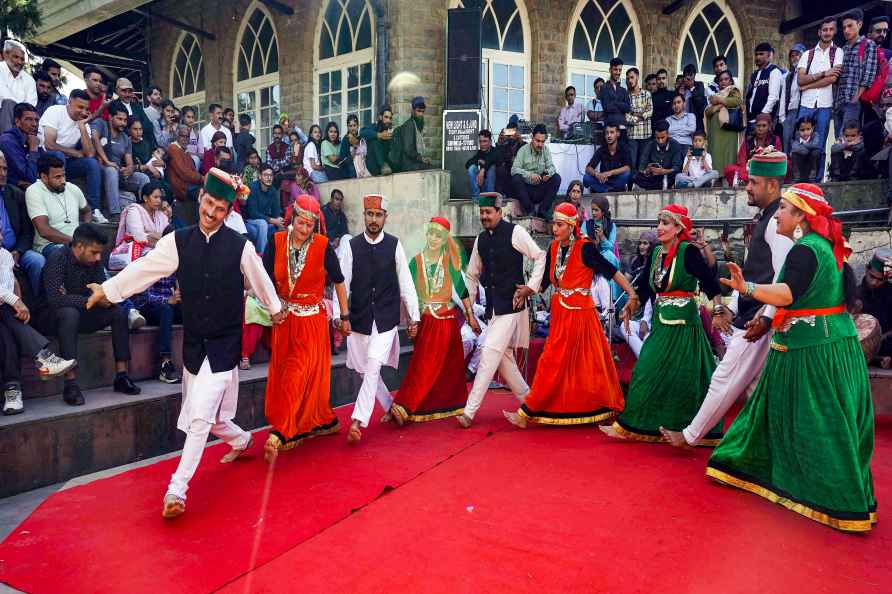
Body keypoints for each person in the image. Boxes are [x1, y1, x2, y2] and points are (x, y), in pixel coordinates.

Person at [85, 168, 284, 519]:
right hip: (194, 344)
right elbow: (145, 268)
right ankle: (241, 440)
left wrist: (276, 309)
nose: (211, 212)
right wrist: (109, 289)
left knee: (200, 416)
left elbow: (260, 279)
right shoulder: (178, 242)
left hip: (224, 343)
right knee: (205, 413)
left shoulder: (241, 246)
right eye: (208, 204)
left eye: (220, 208)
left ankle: (177, 489)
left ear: (228, 212)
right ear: (200, 200)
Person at [706, 183, 875, 533]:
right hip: (828, 344)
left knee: (821, 422)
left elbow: (786, 294)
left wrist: (747, 289)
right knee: (811, 417)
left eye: (785, 208)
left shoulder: (805, 250)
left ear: (802, 217)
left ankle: (834, 496)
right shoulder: (823, 247)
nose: (779, 214)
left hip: (812, 350)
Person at [661, 151, 794, 449]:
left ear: (772, 185)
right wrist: (730, 308)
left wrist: (767, 317)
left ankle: (690, 436)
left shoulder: (777, 221)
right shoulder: (767, 218)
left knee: (725, 377)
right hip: (753, 314)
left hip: (760, 319)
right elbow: (750, 273)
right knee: (755, 388)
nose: (746, 186)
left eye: (753, 182)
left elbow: (782, 280)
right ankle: (771, 447)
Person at [503, 203, 638, 428]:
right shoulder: (554, 248)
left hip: (582, 316)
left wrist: (631, 293)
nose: (554, 229)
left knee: (582, 363)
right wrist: (528, 290)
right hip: (562, 314)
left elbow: (611, 271)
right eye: (554, 224)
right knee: (555, 361)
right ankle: (544, 408)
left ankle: (528, 413)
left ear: (572, 225)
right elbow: (546, 280)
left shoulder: (586, 248)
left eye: (559, 225)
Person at [600, 204, 722, 443]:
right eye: (659, 223)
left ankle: (688, 430)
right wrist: (631, 305)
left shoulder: (688, 251)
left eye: (665, 223)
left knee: (687, 378)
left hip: (685, 327)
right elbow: (645, 286)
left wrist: (718, 309)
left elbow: (709, 281)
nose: (659, 228)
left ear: (678, 228)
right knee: (645, 370)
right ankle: (631, 426)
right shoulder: (656, 253)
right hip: (661, 325)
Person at [261, 194, 348, 461]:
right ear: (292, 218)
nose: (304, 229)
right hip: (284, 321)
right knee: (285, 372)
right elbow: (263, 278)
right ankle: (312, 421)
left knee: (298, 372)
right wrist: (272, 307)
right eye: (300, 223)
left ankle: (283, 432)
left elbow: (339, 281)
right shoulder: (276, 242)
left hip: (311, 321)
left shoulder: (322, 246)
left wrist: (344, 315)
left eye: (310, 225)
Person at [335, 194, 420, 444]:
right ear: (364, 216)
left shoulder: (395, 244)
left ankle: (357, 420)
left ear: (385, 218)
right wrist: (339, 316)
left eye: (378, 215)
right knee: (365, 371)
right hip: (360, 318)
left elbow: (406, 282)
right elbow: (343, 284)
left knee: (372, 365)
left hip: (385, 317)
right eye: (370, 215)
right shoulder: (351, 246)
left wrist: (413, 317)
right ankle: (391, 405)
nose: (374, 219)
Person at [457, 192, 546, 428]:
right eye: (482, 213)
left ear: (499, 211)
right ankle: (531, 406)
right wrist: (469, 313)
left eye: (488, 212)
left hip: (514, 306)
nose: (484, 217)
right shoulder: (480, 240)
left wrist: (530, 287)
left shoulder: (516, 232)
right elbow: (472, 275)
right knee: (504, 360)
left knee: (488, 353)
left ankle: (469, 411)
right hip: (494, 309)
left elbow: (540, 256)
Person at [32, 223, 140, 406]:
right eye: (94, 252)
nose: (98, 258)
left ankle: (122, 375)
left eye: (100, 253)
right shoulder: (57, 258)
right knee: (68, 313)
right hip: (50, 318)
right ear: (79, 246)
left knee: (118, 312)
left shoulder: (94, 262)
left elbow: (98, 288)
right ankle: (71, 384)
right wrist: (89, 300)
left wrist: (98, 298)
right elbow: (55, 300)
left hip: (81, 313)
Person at [390, 217, 477, 425]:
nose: (433, 238)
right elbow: (407, 293)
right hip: (426, 320)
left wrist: (470, 315)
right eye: (431, 233)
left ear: (445, 239)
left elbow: (462, 290)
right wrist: (411, 321)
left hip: (447, 320)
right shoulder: (415, 261)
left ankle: (439, 405)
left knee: (447, 367)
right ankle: (410, 406)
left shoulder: (450, 261)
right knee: (423, 365)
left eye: (439, 236)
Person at [0, 237, 75, 415]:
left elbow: (5, 286)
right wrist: (15, 300)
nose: (2, 237)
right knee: (6, 314)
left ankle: (13, 390)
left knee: (4, 328)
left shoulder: (3, 254)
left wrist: (13, 299)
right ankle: (43, 358)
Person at [24, 154, 93, 293]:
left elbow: (87, 211)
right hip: (49, 245)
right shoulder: (34, 191)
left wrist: (85, 229)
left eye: (64, 175)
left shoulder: (72, 189)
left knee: (95, 259)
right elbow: (44, 230)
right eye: (57, 177)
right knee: (69, 255)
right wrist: (74, 242)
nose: (63, 181)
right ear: (44, 177)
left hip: (75, 244)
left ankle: (126, 307)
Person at [38, 90, 105, 223]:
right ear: (69, 102)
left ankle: (94, 210)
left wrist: (82, 127)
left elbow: (90, 153)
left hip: (66, 162)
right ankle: (62, 205)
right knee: (58, 156)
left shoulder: (83, 122)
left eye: (86, 108)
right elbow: (49, 144)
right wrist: (75, 153)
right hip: (46, 159)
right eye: (80, 107)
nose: (83, 111)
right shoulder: (55, 111)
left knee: (92, 164)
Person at [94, 101, 151, 218]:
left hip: (118, 173)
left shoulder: (125, 138)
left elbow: (129, 160)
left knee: (143, 178)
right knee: (111, 170)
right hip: (101, 169)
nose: (123, 123)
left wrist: (129, 169)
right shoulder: (101, 124)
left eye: (125, 120)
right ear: (110, 117)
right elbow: (95, 139)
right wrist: (107, 161)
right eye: (119, 119)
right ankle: (114, 213)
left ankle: (144, 212)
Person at [0, 151, 39, 295]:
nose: (3, 173)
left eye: (5, 169)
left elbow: (27, 231)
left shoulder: (15, 194)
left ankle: (40, 309)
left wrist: (18, 251)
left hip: (16, 251)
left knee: (37, 261)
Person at [836, 10, 878, 136]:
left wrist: (856, 99)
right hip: (839, 102)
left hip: (853, 102)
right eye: (844, 27)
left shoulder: (868, 45)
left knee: (848, 141)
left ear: (859, 25)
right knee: (839, 139)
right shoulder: (844, 48)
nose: (846, 30)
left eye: (850, 26)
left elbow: (868, 75)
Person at [510, 124, 561, 217]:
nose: (540, 144)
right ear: (532, 138)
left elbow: (552, 167)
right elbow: (514, 169)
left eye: (542, 141)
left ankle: (543, 210)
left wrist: (548, 174)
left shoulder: (545, 150)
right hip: (526, 190)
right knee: (516, 179)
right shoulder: (523, 150)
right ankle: (530, 210)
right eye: (537, 141)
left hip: (540, 188)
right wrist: (529, 175)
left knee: (556, 178)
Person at [723, 113, 781, 185]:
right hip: (750, 171)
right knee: (729, 169)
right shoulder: (748, 141)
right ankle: (750, 181)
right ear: (755, 127)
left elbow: (778, 159)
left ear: (769, 126)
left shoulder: (775, 140)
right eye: (758, 126)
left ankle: (751, 181)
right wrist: (749, 167)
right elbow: (741, 161)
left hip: (768, 170)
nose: (760, 129)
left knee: (786, 164)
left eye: (764, 126)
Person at [857, 249, 892, 367]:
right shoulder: (855, 294)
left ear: (887, 278)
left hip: (886, 347)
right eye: (872, 276)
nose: (874, 282)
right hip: (859, 351)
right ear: (867, 269)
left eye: (880, 279)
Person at [705, 70, 743, 177]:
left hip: (728, 130)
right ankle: (716, 178)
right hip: (715, 132)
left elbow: (736, 102)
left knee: (728, 156)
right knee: (715, 156)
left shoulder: (734, 91)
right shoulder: (715, 95)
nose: (723, 82)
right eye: (721, 80)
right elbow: (707, 112)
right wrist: (718, 106)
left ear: (731, 80)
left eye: (726, 79)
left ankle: (728, 179)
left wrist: (719, 100)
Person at [244, 164, 283, 255]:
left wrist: (280, 222)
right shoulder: (252, 187)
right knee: (263, 224)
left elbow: (276, 212)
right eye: (265, 175)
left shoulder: (273, 190)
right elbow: (252, 213)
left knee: (277, 228)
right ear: (260, 176)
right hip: (250, 221)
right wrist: (272, 220)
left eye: (271, 175)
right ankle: (259, 257)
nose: (269, 178)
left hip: (265, 221)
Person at [0, 102, 41, 190]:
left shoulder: (32, 138)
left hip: (23, 184)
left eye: (36, 120)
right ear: (17, 122)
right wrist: (33, 149)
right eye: (29, 119)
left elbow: (46, 167)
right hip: (10, 187)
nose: (34, 124)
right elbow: (30, 178)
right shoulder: (7, 141)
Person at [633, 120, 683, 190]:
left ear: (668, 135)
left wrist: (663, 171)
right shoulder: (650, 145)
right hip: (653, 176)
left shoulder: (675, 145)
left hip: (668, 175)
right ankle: (659, 185)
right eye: (657, 138)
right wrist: (647, 170)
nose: (660, 141)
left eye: (662, 138)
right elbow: (642, 167)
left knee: (677, 176)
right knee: (636, 177)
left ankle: (658, 185)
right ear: (655, 136)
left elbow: (676, 168)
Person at [744, 42, 783, 132]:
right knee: (750, 145)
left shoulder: (774, 72)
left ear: (769, 55)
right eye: (756, 54)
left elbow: (773, 97)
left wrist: (763, 115)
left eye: (761, 54)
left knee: (764, 146)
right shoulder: (755, 74)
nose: (758, 57)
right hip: (751, 119)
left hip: (764, 121)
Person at [0, 40, 37, 133]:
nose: (20, 62)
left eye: (22, 59)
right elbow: (4, 97)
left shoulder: (29, 80)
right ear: (5, 54)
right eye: (16, 57)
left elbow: (30, 106)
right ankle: (7, 142)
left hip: (20, 121)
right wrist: (20, 108)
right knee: (8, 103)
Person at [583, 124, 632, 193]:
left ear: (617, 134)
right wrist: (597, 174)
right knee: (586, 178)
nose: (609, 136)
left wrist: (611, 173)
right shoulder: (601, 150)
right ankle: (609, 190)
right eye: (607, 133)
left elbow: (627, 168)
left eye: (612, 132)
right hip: (603, 180)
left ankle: (603, 189)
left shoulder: (624, 148)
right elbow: (588, 168)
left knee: (627, 175)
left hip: (616, 180)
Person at [112, 78, 157, 151]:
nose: (127, 94)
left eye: (130, 91)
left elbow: (148, 126)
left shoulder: (137, 106)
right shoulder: (113, 106)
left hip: (143, 143)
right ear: (117, 91)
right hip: (123, 145)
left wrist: (154, 148)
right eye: (124, 91)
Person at [390, 96, 432, 172]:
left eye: (422, 112)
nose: (421, 114)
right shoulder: (409, 125)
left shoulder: (417, 125)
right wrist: (421, 158)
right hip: (407, 165)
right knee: (431, 168)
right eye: (418, 111)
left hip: (412, 163)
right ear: (412, 111)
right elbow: (408, 149)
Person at [779, 44, 807, 155]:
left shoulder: (807, 73)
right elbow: (783, 97)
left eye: (798, 55)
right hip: (789, 114)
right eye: (792, 56)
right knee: (786, 146)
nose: (795, 58)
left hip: (802, 112)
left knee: (799, 146)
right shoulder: (788, 76)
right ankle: (787, 172)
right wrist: (782, 118)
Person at [167, 124, 203, 204]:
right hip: (181, 188)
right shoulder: (173, 148)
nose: (185, 139)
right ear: (177, 136)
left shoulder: (185, 150)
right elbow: (184, 173)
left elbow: (192, 170)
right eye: (182, 136)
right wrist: (202, 178)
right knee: (205, 195)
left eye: (187, 137)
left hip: (188, 184)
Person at [626, 67, 653, 169]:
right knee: (631, 163)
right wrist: (637, 118)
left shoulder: (647, 94)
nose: (630, 80)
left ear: (637, 77)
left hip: (645, 135)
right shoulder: (626, 96)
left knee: (643, 164)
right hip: (632, 135)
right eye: (628, 78)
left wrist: (635, 113)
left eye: (632, 77)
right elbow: (626, 115)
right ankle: (630, 185)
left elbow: (650, 111)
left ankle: (640, 185)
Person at [360, 105, 394, 176]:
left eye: (390, 118)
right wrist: (379, 135)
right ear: (380, 117)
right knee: (374, 140)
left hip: (387, 166)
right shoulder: (374, 127)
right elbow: (362, 132)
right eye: (386, 117)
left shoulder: (390, 131)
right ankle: (383, 165)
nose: (388, 120)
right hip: (373, 166)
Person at [465, 129, 500, 199]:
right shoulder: (480, 153)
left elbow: (492, 159)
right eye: (480, 141)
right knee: (472, 168)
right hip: (483, 185)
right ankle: (476, 197)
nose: (482, 144)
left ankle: (490, 197)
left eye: (485, 141)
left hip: (496, 190)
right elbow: (467, 164)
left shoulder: (496, 151)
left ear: (490, 142)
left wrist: (483, 170)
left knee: (491, 168)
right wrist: (478, 161)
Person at [600, 58, 631, 135]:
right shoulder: (604, 87)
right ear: (610, 70)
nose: (618, 72)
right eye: (615, 69)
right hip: (610, 129)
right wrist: (621, 105)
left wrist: (615, 103)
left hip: (623, 129)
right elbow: (607, 107)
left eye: (620, 70)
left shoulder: (623, 90)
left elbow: (627, 108)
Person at [789, 116, 822, 182]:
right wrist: (809, 148)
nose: (805, 132)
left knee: (816, 152)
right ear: (798, 130)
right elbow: (795, 148)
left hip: (811, 163)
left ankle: (812, 177)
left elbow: (815, 144)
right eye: (802, 130)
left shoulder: (815, 135)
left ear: (812, 128)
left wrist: (802, 145)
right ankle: (796, 177)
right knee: (794, 154)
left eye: (808, 129)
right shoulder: (795, 138)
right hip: (800, 164)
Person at [339, 113, 371, 178]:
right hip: (350, 165)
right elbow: (342, 158)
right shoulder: (346, 139)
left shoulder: (361, 137)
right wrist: (353, 151)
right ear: (347, 127)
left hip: (363, 163)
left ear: (358, 126)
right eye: (350, 126)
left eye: (354, 125)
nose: (352, 128)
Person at [678, 64, 708, 131]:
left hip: (695, 123)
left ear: (694, 76)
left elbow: (700, 103)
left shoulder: (699, 85)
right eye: (686, 76)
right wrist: (680, 95)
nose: (688, 79)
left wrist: (691, 87)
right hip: (682, 122)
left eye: (690, 75)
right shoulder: (681, 87)